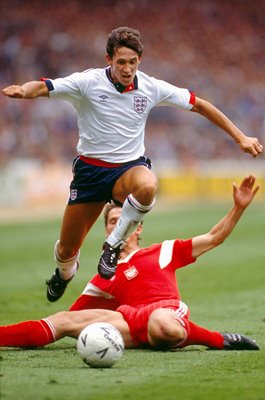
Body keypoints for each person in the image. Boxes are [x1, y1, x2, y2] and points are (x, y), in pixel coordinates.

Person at [2, 28, 263, 303]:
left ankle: (112, 245)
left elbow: (199, 105)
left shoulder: (150, 87)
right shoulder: (87, 82)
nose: (127, 69)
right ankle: (64, 273)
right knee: (67, 249)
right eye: (121, 62)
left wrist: (241, 137)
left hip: (128, 169)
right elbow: (44, 86)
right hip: (90, 173)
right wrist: (23, 91)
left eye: (132, 62)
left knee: (148, 185)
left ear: (140, 60)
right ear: (109, 59)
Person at [0, 175, 260, 351]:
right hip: (128, 321)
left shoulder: (163, 251)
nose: (119, 226)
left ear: (137, 228)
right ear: (106, 232)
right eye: (113, 222)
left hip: (164, 310)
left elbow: (214, 238)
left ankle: (219, 340)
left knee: (162, 325)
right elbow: (73, 315)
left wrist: (238, 207)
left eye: (125, 221)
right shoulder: (105, 275)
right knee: (62, 320)